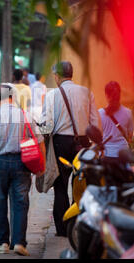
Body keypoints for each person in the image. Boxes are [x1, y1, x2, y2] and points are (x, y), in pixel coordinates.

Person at [0, 84, 46, 256]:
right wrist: (42, 166)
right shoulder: (25, 115)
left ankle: (2, 242)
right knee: (20, 202)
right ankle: (19, 243)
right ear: (13, 97)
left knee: (0, 202)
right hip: (21, 163)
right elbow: (40, 140)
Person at [39, 61, 101, 237]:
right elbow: (96, 123)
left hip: (61, 143)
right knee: (80, 184)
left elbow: (47, 126)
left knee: (60, 186)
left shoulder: (52, 95)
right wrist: (96, 146)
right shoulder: (87, 92)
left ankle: (63, 228)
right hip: (83, 143)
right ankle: (78, 224)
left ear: (58, 76)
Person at [99, 81, 134, 161]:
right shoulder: (128, 112)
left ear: (106, 95)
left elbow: (98, 136)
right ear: (119, 95)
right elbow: (130, 136)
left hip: (106, 154)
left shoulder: (100, 113)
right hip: (123, 154)